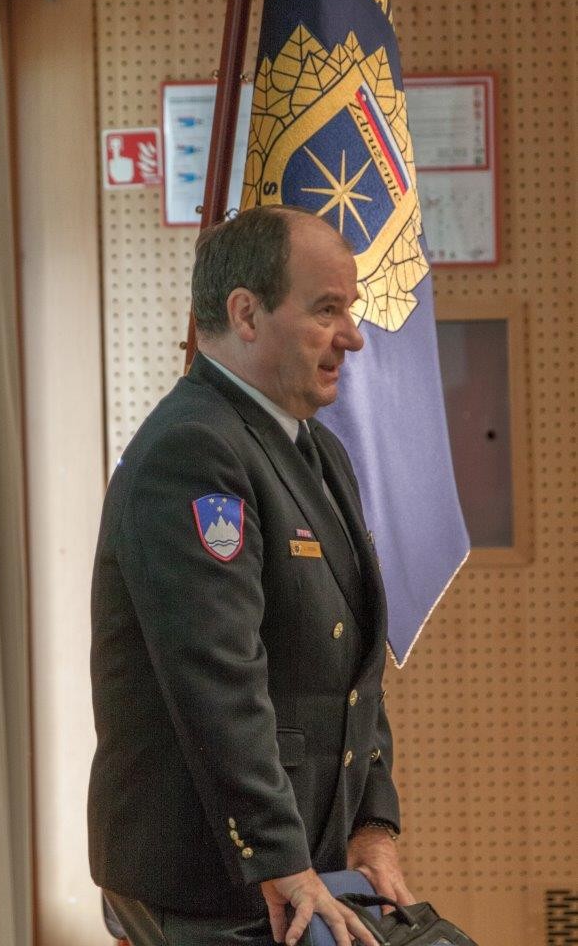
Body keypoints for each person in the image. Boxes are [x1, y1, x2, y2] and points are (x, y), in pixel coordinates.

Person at [88, 206, 414, 946]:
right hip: (214, 882)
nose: (352, 336)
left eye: (350, 309)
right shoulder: (194, 450)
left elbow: (355, 669)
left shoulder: (316, 450)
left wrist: (373, 823)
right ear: (245, 313)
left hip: (303, 864)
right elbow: (217, 679)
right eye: (326, 310)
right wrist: (278, 857)